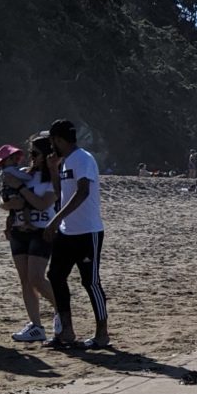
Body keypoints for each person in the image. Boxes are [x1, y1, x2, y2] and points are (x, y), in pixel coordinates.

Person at [43, 117, 110, 351]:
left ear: (58, 140)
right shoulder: (65, 162)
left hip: (87, 231)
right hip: (67, 231)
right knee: (55, 276)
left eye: (52, 141)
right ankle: (66, 330)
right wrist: (53, 170)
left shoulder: (83, 158)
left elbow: (83, 192)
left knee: (90, 282)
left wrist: (55, 219)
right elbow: (62, 193)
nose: (51, 146)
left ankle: (102, 333)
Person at [0, 137, 58, 343]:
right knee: (25, 280)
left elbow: (42, 204)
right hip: (18, 231)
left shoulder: (53, 179)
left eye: (35, 154)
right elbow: (3, 200)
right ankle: (36, 325)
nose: (31, 158)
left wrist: (21, 189)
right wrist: (8, 205)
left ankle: (62, 312)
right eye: (30, 153)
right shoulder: (24, 173)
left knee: (36, 278)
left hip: (42, 231)